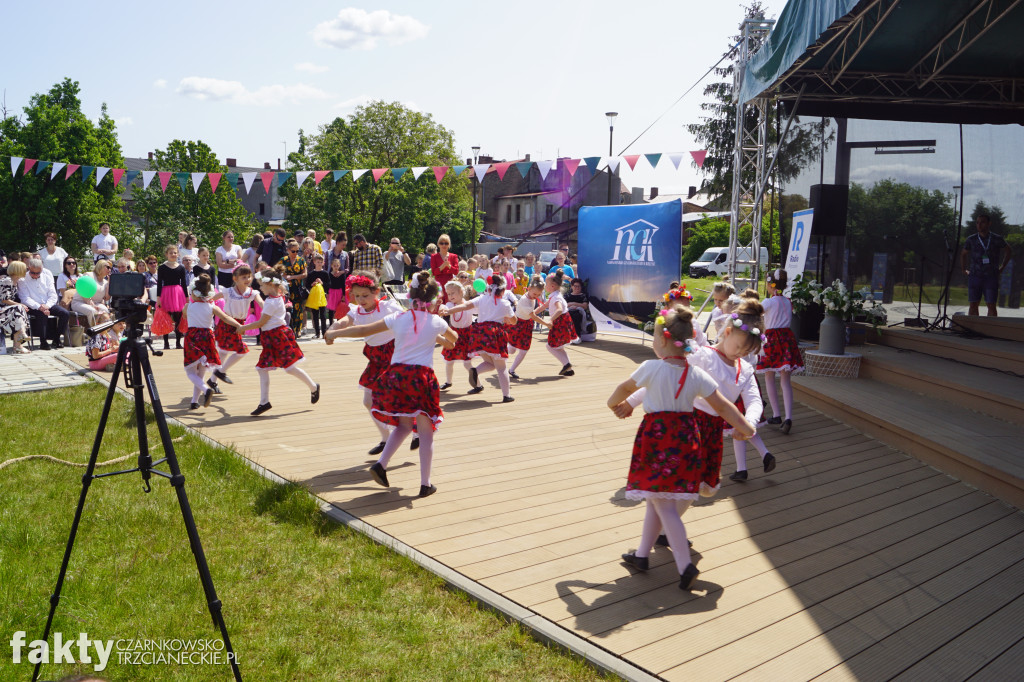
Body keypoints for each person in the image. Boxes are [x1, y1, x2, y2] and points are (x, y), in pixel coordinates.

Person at [608, 303, 755, 590]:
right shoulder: (697, 375)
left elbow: (626, 388)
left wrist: (613, 404)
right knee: (656, 497)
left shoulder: (650, 367)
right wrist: (746, 428)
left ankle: (685, 564)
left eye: (653, 338)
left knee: (665, 504)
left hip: (658, 440)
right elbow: (724, 407)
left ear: (663, 339)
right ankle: (641, 555)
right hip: (687, 442)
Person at [327, 271, 456, 497]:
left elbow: (363, 330)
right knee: (426, 433)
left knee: (404, 426)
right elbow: (453, 340)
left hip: (396, 376)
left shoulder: (399, 318)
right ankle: (425, 483)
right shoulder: (435, 321)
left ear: (410, 296)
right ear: (434, 301)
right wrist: (442, 331)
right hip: (420, 379)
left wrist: (334, 334)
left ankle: (381, 464)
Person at [324, 271, 404, 453]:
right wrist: (332, 329)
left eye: (365, 295)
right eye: (357, 295)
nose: (361, 300)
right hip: (375, 357)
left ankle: (414, 431)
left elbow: (407, 319)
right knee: (368, 400)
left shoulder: (387, 307)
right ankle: (386, 438)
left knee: (394, 398)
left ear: (376, 291)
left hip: (394, 355)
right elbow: (344, 321)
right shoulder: (356, 310)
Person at [237, 265, 321, 416]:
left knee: (286, 368)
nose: (260, 288)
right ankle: (265, 402)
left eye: (262, 285)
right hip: (273, 337)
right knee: (267, 368)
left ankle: (313, 387)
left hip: (277, 337)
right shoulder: (277, 296)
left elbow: (261, 322)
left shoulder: (271, 301)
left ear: (270, 285)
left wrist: (242, 328)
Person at [440, 274, 517, 403]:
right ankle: (506, 395)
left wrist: (449, 311)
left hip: (479, 334)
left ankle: (475, 371)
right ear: (503, 291)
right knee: (501, 367)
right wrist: (506, 318)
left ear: (488, 289)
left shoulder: (481, 299)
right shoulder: (504, 303)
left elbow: (465, 306)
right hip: (495, 334)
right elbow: (514, 321)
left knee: (490, 363)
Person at [181, 274, 243, 409]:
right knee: (201, 371)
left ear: (193, 292)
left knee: (190, 371)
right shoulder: (212, 307)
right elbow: (226, 318)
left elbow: (184, 316)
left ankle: (205, 389)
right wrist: (238, 326)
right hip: (207, 337)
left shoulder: (188, 306)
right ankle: (194, 401)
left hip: (193, 337)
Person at [757, 269, 804, 434]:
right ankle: (788, 417)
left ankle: (777, 414)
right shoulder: (787, 301)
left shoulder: (768, 302)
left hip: (772, 339)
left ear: (770, 285)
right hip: (787, 338)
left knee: (769, 375)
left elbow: (755, 312)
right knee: (785, 380)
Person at [210, 264, 261, 385]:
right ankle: (220, 372)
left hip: (240, 324)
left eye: (249, 276)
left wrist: (269, 311)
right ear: (235, 279)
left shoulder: (252, 292)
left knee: (223, 352)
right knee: (241, 350)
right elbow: (212, 299)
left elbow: (261, 302)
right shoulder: (229, 291)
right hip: (227, 323)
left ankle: (213, 380)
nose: (247, 279)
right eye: (243, 277)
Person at [961, 213, 1012, 317]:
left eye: (982, 222)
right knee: (973, 304)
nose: (979, 225)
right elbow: (963, 254)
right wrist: (963, 269)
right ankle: (972, 331)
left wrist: (1002, 267)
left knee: (991, 305)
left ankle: (990, 330)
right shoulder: (972, 239)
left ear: (989, 224)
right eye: (977, 223)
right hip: (975, 275)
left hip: (991, 276)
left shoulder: (996, 238)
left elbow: (1008, 251)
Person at [19, 257, 70, 349]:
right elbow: (25, 298)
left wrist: (47, 305)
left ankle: (56, 338)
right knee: (41, 314)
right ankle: (43, 341)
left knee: (65, 313)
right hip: (32, 306)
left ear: (41, 270)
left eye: (38, 273)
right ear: (29, 268)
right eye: (32, 273)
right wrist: (39, 307)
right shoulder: (23, 279)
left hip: (48, 303)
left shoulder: (47, 275)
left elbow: (53, 294)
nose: (35, 275)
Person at [507, 275, 551, 380]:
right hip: (518, 325)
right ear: (529, 289)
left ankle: (511, 369)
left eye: (538, 294)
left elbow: (533, 313)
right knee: (512, 350)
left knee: (523, 350)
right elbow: (533, 316)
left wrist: (545, 305)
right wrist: (546, 324)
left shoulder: (531, 296)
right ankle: (498, 353)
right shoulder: (524, 300)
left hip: (526, 325)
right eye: (535, 294)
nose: (536, 296)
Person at [439, 280, 475, 391]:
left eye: (453, 293)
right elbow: (444, 306)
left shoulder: (469, 305)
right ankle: (448, 382)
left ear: (460, 292)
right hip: (453, 335)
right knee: (449, 361)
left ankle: (478, 384)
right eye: (448, 294)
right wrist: (442, 309)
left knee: (467, 363)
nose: (450, 296)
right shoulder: (450, 305)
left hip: (466, 336)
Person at [544, 270, 576, 376]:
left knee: (550, 346)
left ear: (552, 286)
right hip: (563, 321)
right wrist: (533, 313)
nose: (544, 285)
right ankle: (568, 368)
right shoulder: (555, 295)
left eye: (546, 283)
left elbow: (559, 310)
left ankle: (566, 364)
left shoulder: (556, 297)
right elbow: (544, 306)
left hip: (560, 322)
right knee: (559, 347)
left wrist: (550, 319)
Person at [156, 245, 188, 350]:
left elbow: (183, 283)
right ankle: (166, 343)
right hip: (166, 293)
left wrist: (186, 297)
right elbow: (159, 283)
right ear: (166, 254)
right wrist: (158, 297)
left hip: (178, 294)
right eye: (171, 253)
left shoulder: (181, 267)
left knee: (179, 318)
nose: (173, 255)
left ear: (178, 254)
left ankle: (178, 342)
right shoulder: (162, 267)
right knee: (165, 318)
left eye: (175, 253)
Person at [1, 261, 31, 354]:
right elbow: (4, 300)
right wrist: (19, 305)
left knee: (19, 312)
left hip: (8, 310)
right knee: (19, 309)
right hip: (2, 309)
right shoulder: (7, 281)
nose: (26, 270)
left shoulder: (15, 282)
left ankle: (18, 344)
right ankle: (19, 343)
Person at [281, 239, 308, 336]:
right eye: (293, 251)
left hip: (298, 288)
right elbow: (279, 273)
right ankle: (290, 329)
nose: (295, 253)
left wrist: (292, 277)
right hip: (287, 289)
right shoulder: (283, 260)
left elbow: (304, 274)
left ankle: (298, 329)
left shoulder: (301, 260)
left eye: (297, 251)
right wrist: (285, 277)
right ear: (288, 250)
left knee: (299, 309)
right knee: (289, 309)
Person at [305, 253, 329, 339]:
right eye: (317, 262)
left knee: (323, 315)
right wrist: (312, 284)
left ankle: (324, 332)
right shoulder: (311, 274)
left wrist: (322, 283)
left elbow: (329, 285)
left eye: (321, 262)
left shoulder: (325, 273)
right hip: (314, 297)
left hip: (322, 297)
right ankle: (317, 333)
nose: (319, 263)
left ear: (323, 263)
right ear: (314, 262)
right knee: (315, 315)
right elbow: (307, 285)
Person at [431, 234, 459, 299]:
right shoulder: (434, 256)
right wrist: (443, 266)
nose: (444, 245)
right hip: (438, 284)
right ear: (438, 244)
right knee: (438, 304)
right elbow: (434, 272)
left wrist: (448, 265)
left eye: (446, 243)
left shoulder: (454, 256)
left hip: (450, 284)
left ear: (449, 245)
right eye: (441, 243)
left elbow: (456, 272)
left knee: (450, 304)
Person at [326, 256, 348, 324]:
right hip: (331, 292)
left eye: (337, 265)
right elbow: (327, 284)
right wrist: (327, 293)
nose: (336, 267)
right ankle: (330, 323)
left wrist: (344, 295)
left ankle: (339, 322)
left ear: (339, 265)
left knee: (339, 308)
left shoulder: (341, 274)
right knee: (331, 309)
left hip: (339, 292)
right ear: (331, 265)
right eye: (334, 265)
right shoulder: (329, 274)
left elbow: (343, 285)